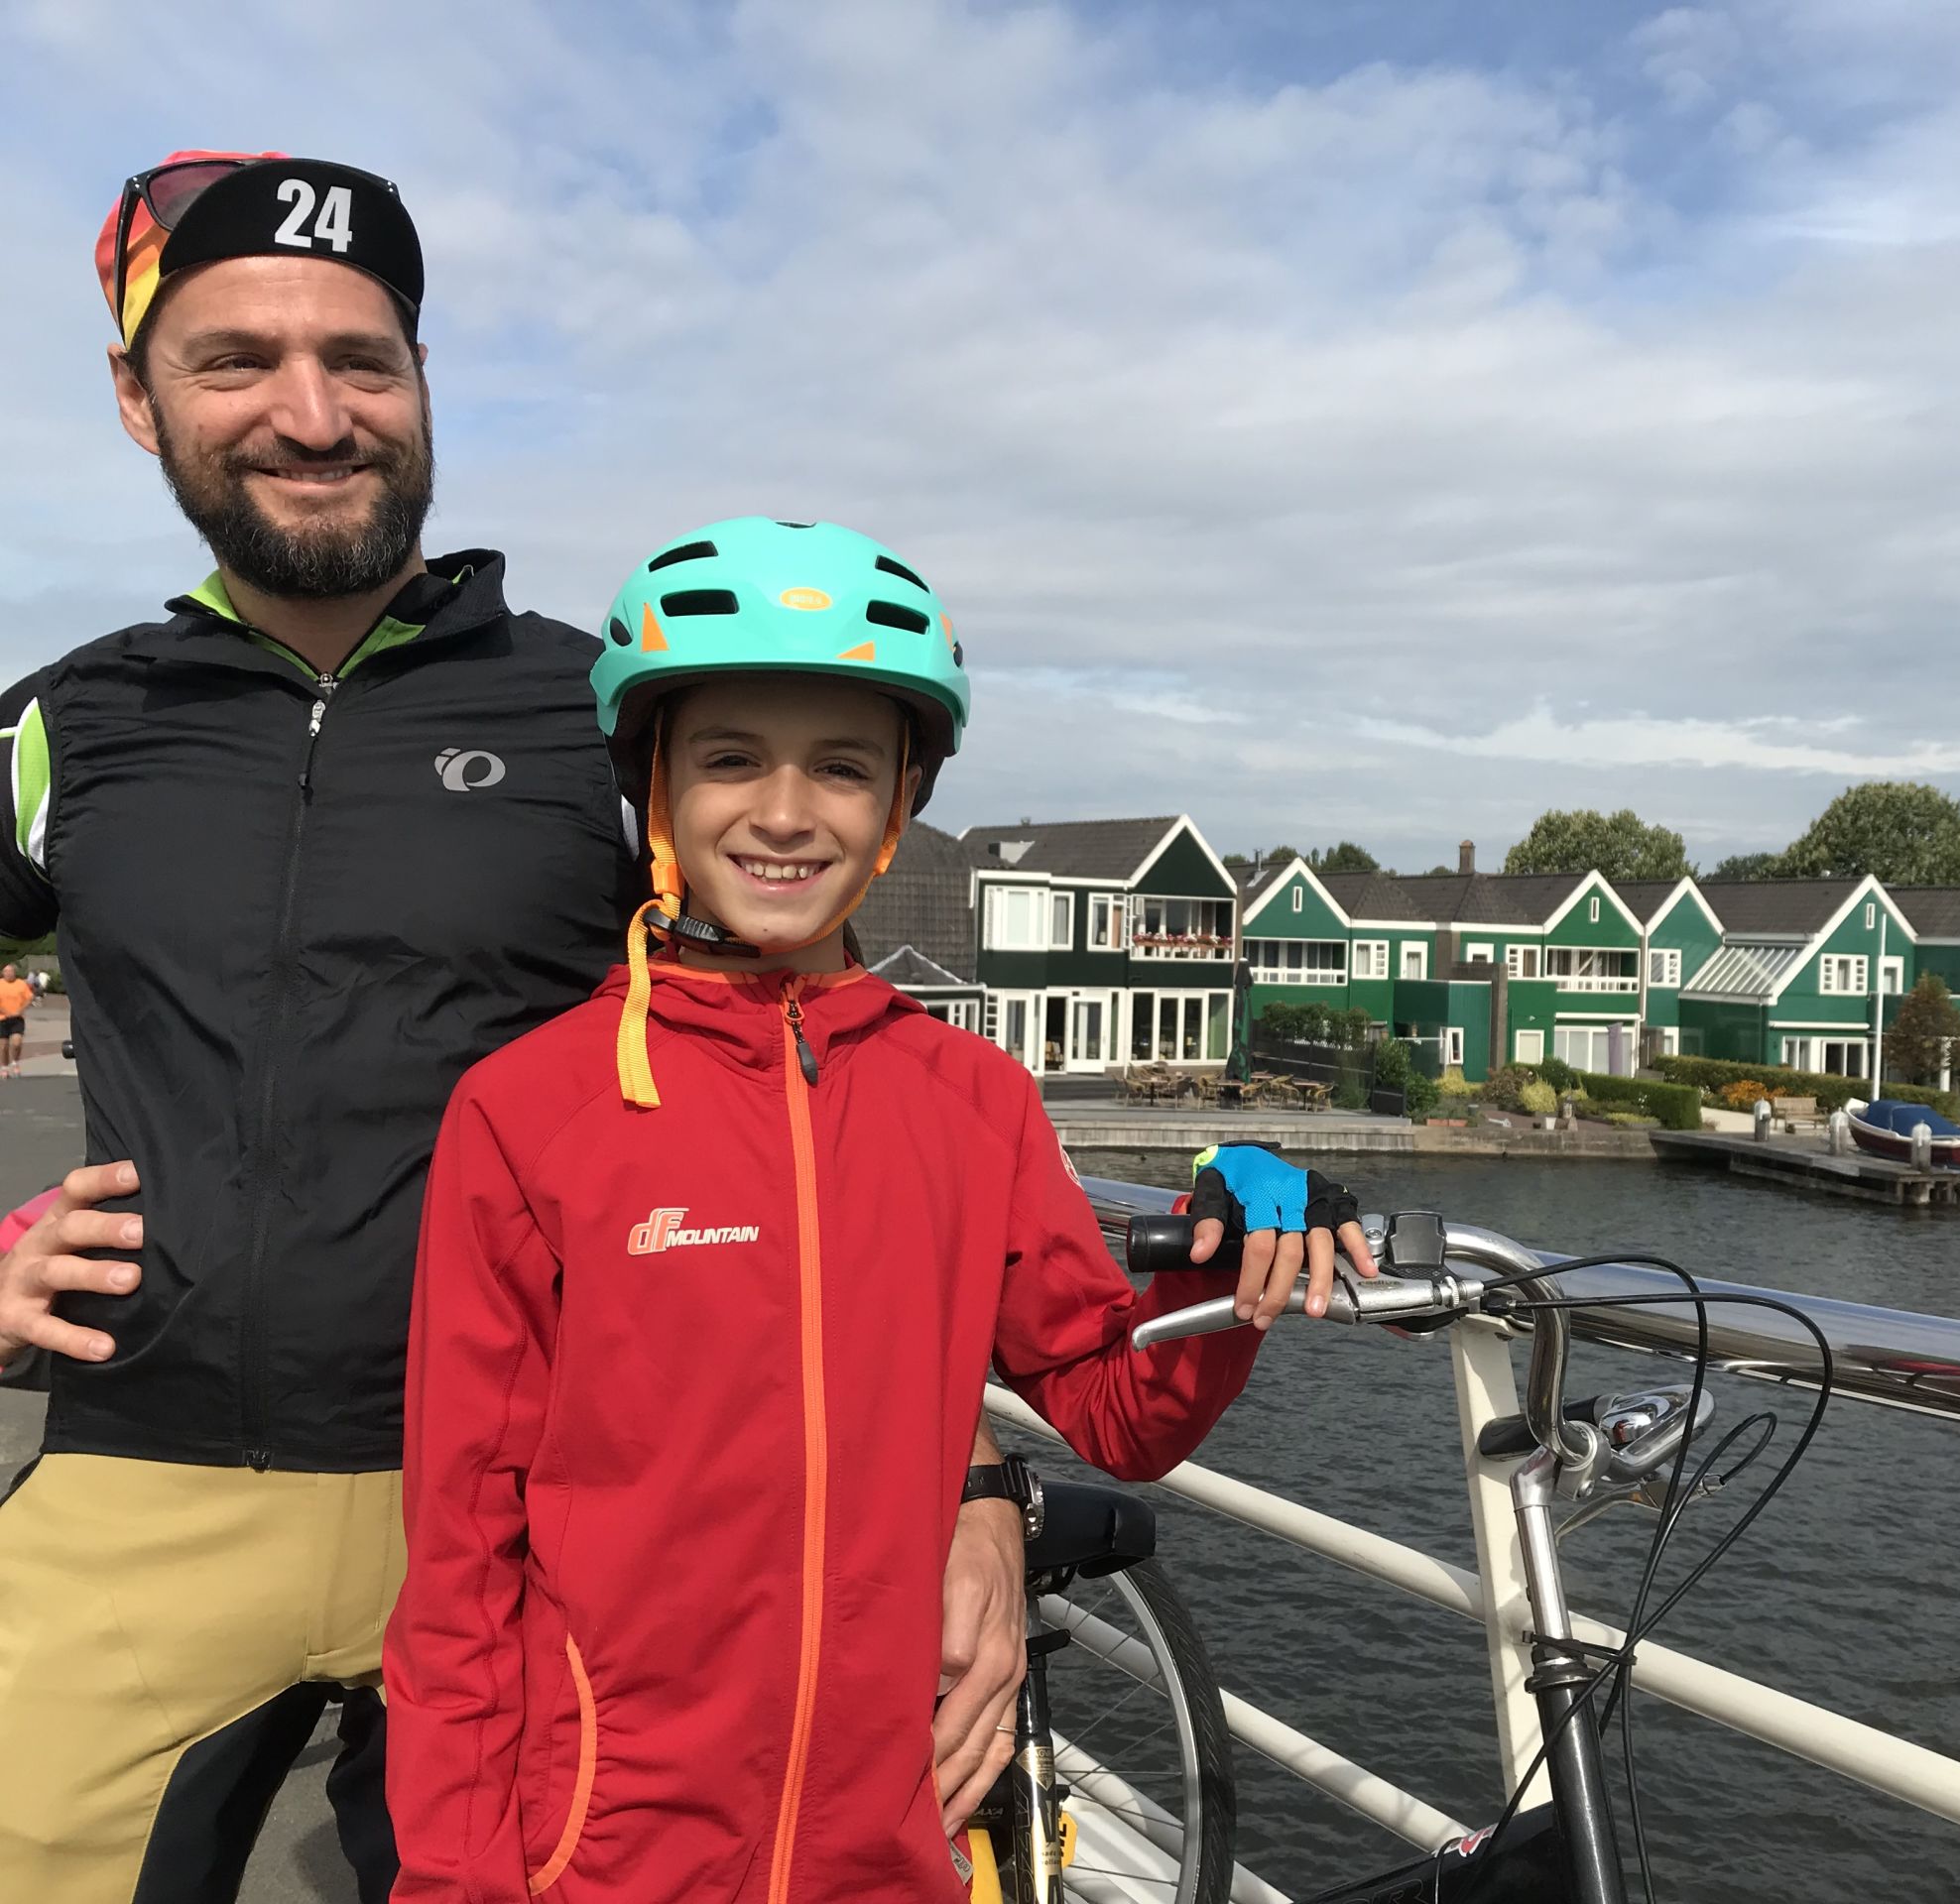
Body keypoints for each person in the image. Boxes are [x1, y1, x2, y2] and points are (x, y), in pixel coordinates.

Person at [0, 149, 1362, 1904]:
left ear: (422, 381)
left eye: (361, 358)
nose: (310, 412)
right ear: (138, 397)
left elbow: (796, 1122)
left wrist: (967, 1487)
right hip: (165, 1468)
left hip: (558, 1531)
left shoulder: (596, 710)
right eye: (237, 360)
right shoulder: (60, 725)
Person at [388, 520, 1365, 1900]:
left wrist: (1229, 1249)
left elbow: (1113, 1406)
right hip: (600, 1849)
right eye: (730, 757)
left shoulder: (969, 1097)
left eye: (841, 767)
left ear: (899, 800)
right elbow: (460, 1563)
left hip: (888, 1845)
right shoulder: (529, 1109)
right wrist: (456, 1880)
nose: (785, 814)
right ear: (651, 784)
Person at [0, 963, 31, 1076]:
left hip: (17, 1018)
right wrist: (5, 1012)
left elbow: (29, 998)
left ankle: (15, 1062)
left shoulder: (21, 984)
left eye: (10, 971)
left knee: (17, 1043)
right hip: (2, 1019)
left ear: (14, 972)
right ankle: (4, 1067)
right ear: (3, 973)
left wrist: (20, 1010)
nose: (8, 973)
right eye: (6, 971)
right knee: (3, 1046)